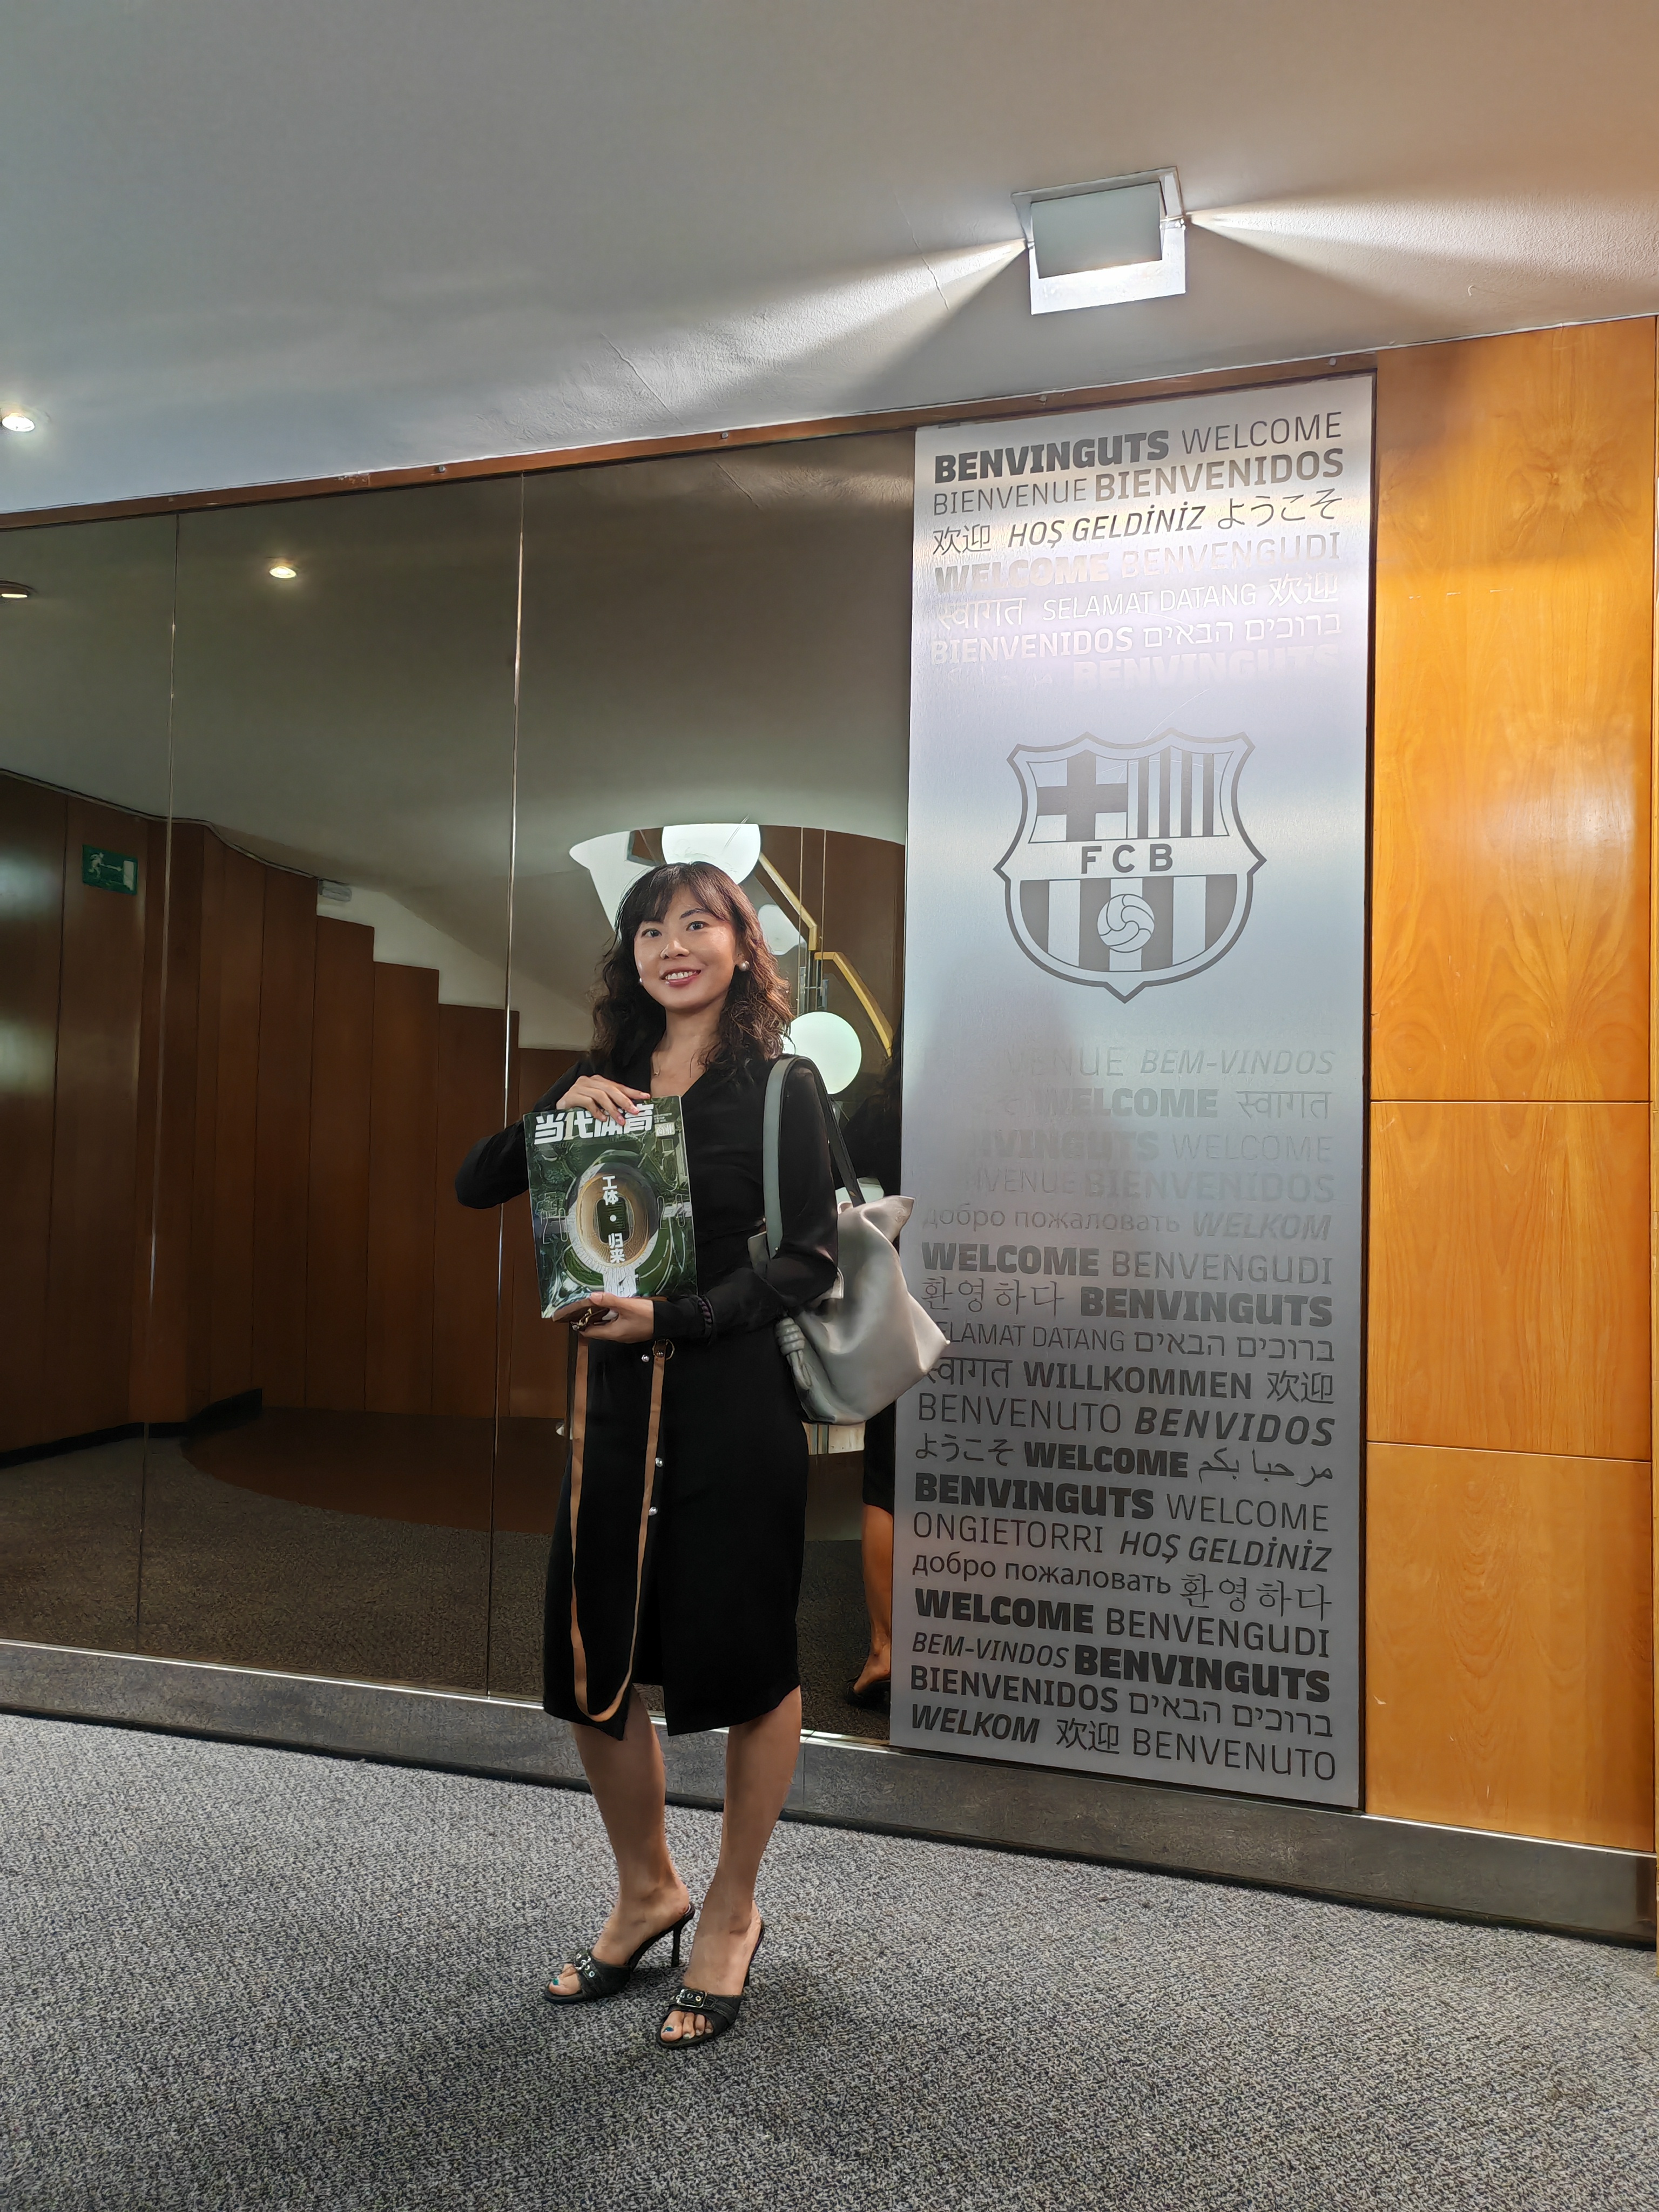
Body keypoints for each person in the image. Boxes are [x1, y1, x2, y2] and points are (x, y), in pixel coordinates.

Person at [455, 861, 837, 2048]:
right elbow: (476, 1183)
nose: (675, 944)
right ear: (630, 956)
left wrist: (674, 1316)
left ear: (741, 945)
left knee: (749, 1657)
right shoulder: (599, 1082)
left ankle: (731, 1906)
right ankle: (646, 1889)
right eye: (651, 928)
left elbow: (809, 1261)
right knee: (592, 1657)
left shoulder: (781, 1087)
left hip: (734, 1404)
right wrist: (561, 1109)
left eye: (699, 922)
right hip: (613, 1410)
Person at [842, 1031, 902, 1709]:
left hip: (903, 1315)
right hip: (1012, 1305)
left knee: (888, 1482)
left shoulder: (888, 1109)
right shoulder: (1017, 1103)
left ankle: (886, 1649)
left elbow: (838, 1182)